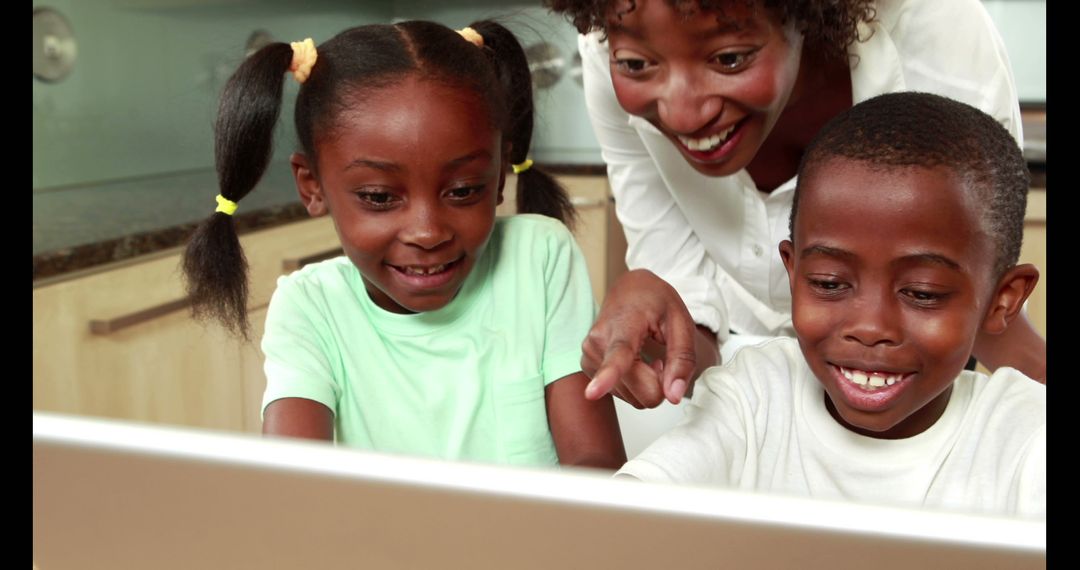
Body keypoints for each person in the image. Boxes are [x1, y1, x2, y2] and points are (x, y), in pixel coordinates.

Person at [544, 0, 1045, 408]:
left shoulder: (936, 32)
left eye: (730, 58)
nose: (684, 112)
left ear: (805, 14)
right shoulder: (616, 30)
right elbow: (686, 300)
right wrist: (658, 317)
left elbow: (967, 278)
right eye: (637, 65)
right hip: (735, 371)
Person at [181, 20, 626, 469]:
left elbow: (594, 463)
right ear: (312, 186)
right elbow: (291, 489)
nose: (428, 232)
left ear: (499, 177)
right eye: (379, 197)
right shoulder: (311, 307)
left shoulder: (540, 257)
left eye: (464, 189)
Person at [616, 92, 1045, 518]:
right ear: (793, 271)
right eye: (829, 283)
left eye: (922, 292)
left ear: (1001, 300)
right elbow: (620, 526)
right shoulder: (755, 397)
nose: (870, 326)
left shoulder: (1026, 433)